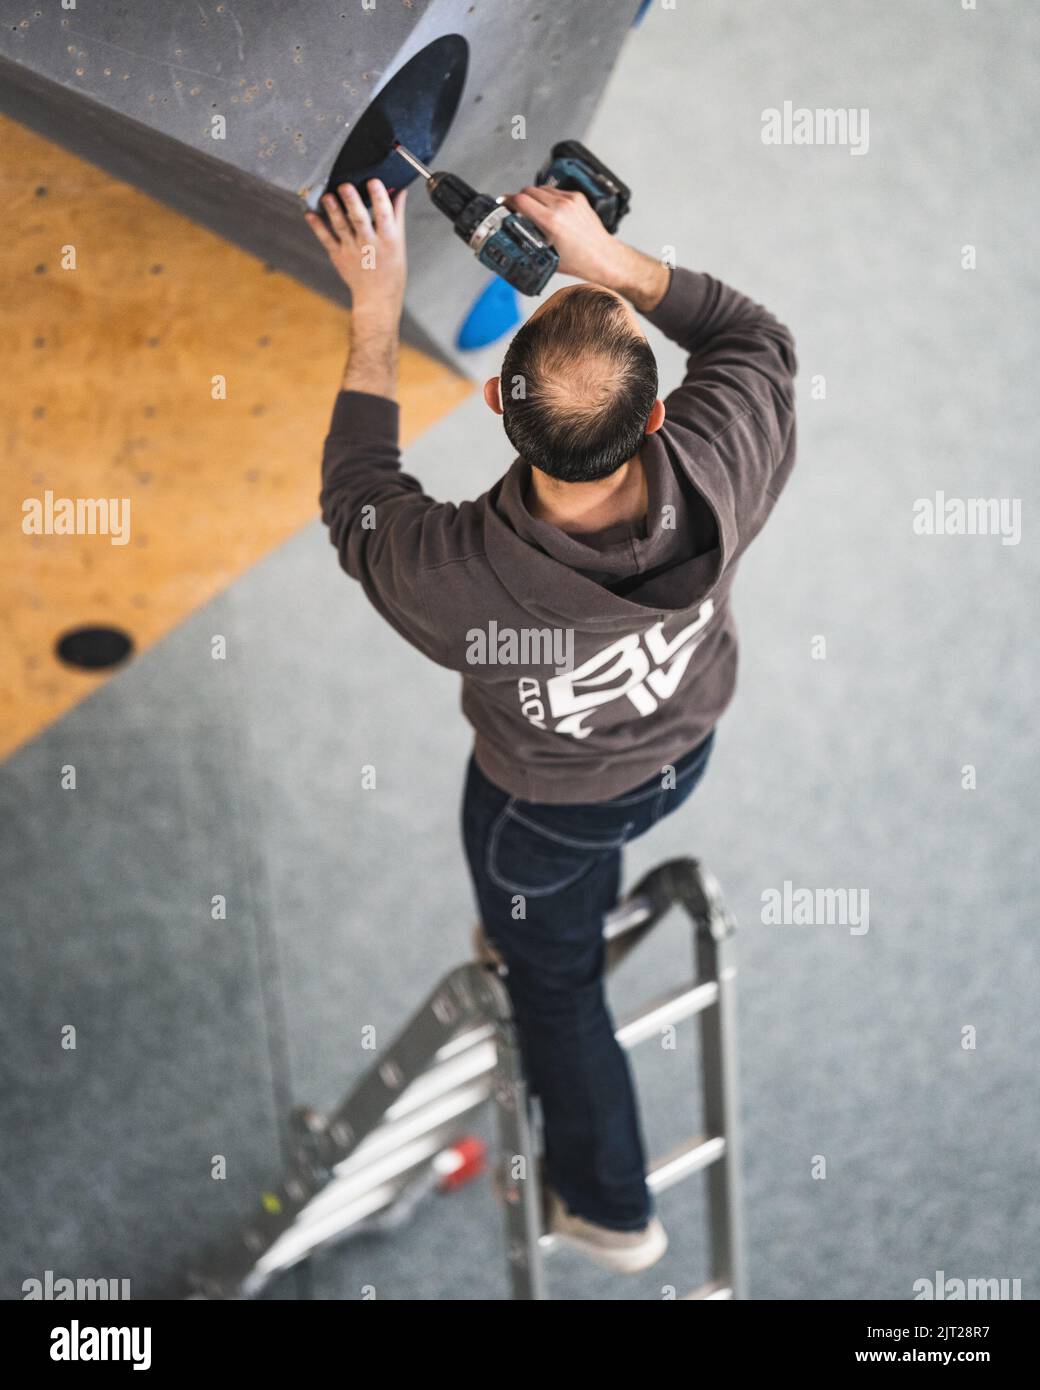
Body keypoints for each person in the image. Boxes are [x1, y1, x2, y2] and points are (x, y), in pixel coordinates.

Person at [306, 175, 797, 1273]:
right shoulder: (725, 454)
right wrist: (613, 266)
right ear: (657, 413)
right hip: (683, 744)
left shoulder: (456, 578)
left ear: (497, 408)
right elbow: (749, 333)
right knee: (590, 866)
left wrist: (375, 308)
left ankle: (609, 1206)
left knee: (552, 982)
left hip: (541, 811)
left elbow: (358, 499)